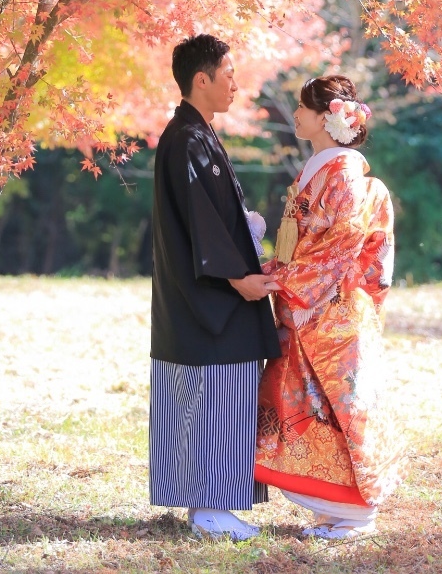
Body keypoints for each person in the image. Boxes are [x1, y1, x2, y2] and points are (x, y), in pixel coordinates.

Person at [254, 75, 402, 539]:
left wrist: (280, 280)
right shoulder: (321, 168)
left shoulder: (342, 174)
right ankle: (333, 509)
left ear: (326, 117)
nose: (295, 115)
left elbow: (341, 243)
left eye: (302, 108)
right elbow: (302, 242)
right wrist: (272, 270)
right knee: (310, 405)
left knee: (339, 408)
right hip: (312, 307)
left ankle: (355, 514)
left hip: (331, 311)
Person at [149, 34, 281, 540]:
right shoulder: (186, 138)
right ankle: (210, 508)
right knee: (216, 396)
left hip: (202, 296)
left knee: (208, 398)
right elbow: (200, 223)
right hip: (211, 298)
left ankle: (205, 505)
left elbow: (210, 218)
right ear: (200, 79)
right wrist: (238, 278)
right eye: (228, 74)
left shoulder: (194, 134)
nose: (235, 83)